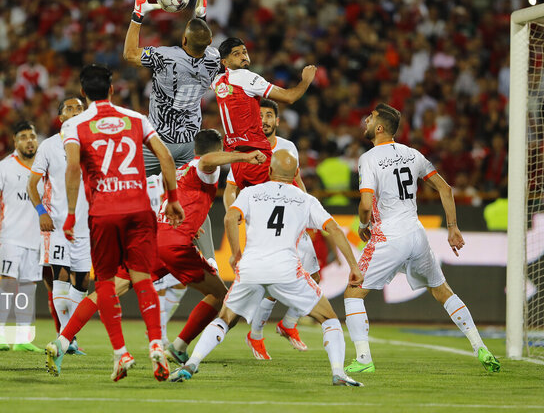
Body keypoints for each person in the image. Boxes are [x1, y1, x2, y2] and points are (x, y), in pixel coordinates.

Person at [169, 149, 364, 387]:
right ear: (296, 174)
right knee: (329, 319)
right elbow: (333, 229)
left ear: (270, 171)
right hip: (286, 270)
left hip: (251, 268)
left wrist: (235, 254)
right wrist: (353, 266)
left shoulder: (251, 192)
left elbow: (230, 217)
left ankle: (192, 363)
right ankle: (338, 373)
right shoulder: (305, 199)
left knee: (225, 318)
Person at [46, 64, 185, 382]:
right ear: (111, 89)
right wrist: (173, 198)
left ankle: (121, 352)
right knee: (142, 279)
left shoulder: (75, 125)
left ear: (83, 92)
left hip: (104, 212)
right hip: (138, 209)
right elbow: (165, 156)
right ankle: (154, 345)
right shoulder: (136, 119)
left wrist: (70, 213)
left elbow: (71, 170)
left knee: (106, 284)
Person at [343, 103, 500, 373]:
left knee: (353, 293)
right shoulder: (412, 154)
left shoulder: (368, 159)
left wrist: (363, 224)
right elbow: (445, 188)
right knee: (443, 291)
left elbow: (367, 204)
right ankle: (480, 346)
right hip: (416, 235)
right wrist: (453, 227)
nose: (365, 122)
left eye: (370, 118)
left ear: (379, 128)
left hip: (389, 236)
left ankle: (364, 359)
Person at [148, 129, 266, 366]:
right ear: (220, 148)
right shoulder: (204, 169)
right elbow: (208, 160)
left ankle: (65, 339)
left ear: (193, 148)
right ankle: (180, 345)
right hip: (175, 243)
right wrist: (244, 156)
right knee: (221, 295)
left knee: (117, 286)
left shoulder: (182, 170)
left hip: (157, 238)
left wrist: (188, 225)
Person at [122, 0, 219, 262]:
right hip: (189, 144)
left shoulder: (165, 57)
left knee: (126, 187)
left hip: (158, 144)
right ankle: (210, 258)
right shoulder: (214, 60)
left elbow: (129, 54)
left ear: (184, 40)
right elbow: (203, 43)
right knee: (195, 201)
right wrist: (200, 16)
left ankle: (129, 252)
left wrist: (137, 14)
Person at [223, 98, 320, 358]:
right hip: (267, 227)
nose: (264, 120)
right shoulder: (246, 148)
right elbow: (230, 188)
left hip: (292, 221)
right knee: (273, 282)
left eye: (268, 116)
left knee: (314, 276)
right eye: (259, 116)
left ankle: (286, 325)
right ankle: (255, 335)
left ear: (276, 121)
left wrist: (308, 214)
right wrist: (234, 212)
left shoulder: (288, 147)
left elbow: (296, 179)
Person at [0, 121, 42, 353]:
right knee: (8, 283)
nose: (29, 141)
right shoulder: (4, 167)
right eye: (23, 137)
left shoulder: (44, 166)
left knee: (28, 286)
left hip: (35, 237)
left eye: (32, 136)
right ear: (15, 141)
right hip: (10, 235)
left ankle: (22, 338)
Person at [213, 37, 317, 190]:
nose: (243, 56)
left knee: (259, 210)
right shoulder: (245, 77)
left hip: (238, 163)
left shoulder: (217, 81)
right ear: (225, 62)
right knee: (297, 199)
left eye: (244, 52)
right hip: (257, 158)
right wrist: (306, 81)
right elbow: (289, 97)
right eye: (236, 54)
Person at [27, 95, 88, 354]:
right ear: (60, 117)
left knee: (83, 282)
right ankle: (67, 339)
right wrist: (41, 211)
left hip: (87, 223)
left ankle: (67, 335)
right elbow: (31, 184)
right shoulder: (50, 146)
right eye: (69, 109)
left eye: (80, 108)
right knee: (61, 275)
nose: (75, 112)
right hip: (59, 222)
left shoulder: (95, 143)